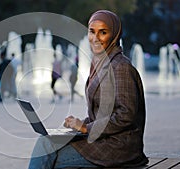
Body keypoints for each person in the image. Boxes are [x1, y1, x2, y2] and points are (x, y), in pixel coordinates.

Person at [28, 10, 148, 168]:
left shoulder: (120, 67)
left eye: (103, 33)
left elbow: (126, 114)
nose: (95, 38)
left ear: (114, 35)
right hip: (103, 139)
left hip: (118, 147)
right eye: (92, 32)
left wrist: (86, 127)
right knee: (46, 141)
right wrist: (78, 124)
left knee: (48, 153)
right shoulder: (101, 63)